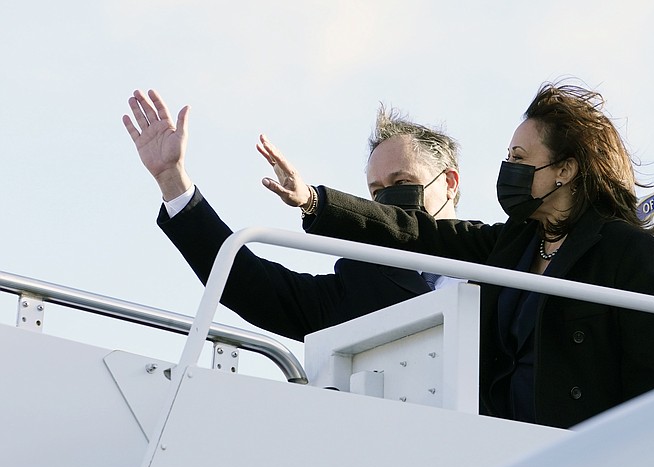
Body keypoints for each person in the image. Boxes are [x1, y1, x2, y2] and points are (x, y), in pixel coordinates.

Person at [259, 82, 654, 429]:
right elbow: (416, 231)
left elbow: (651, 382)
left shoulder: (624, 249)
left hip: (578, 454)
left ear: (564, 170)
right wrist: (313, 201)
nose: (507, 168)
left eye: (519, 158)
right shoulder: (513, 243)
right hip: (499, 448)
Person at [122, 89, 462, 342]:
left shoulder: (501, 256)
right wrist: (171, 179)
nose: (388, 198)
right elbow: (252, 287)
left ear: (448, 182)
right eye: (376, 192)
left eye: (402, 182)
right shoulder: (362, 278)